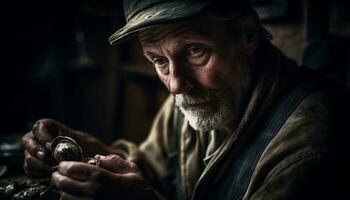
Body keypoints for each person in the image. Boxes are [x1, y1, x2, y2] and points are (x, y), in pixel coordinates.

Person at [21, 0, 349, 199]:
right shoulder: (194, 101)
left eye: (195, 51)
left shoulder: (314, 139)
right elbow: (149, 169)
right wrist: (84, 151)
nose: (176, 85)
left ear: (247, 34)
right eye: (159, 61)